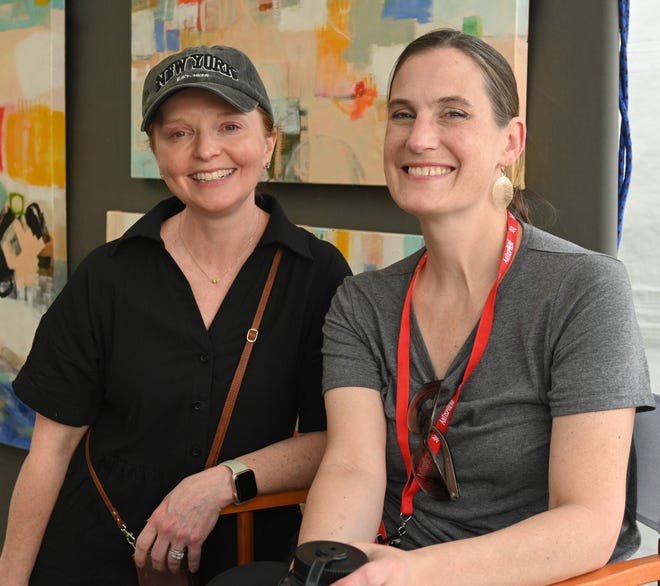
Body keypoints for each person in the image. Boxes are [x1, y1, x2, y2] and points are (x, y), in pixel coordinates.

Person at [209, 28, 654, 586]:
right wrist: (322, 572)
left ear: (510, 142)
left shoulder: (583, 289)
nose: (419, 138)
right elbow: (352, 468)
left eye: (453, 114)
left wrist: (411, 573)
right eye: (402, 113)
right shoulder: (362, 302)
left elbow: (587, 523)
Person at [0, 45, 351, 585]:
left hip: (242, 563)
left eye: (230, 126)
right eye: (179, 133)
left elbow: (336, 440)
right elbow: (52, 449)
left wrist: (217, 483)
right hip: (91, 554)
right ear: (156, 151)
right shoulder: (108, 275)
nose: (206, 151)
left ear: (269, 142)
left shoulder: (317, 273)